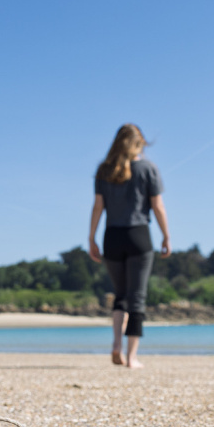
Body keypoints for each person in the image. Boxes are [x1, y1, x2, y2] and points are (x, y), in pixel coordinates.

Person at [88, 124, 171, 369]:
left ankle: (116, 345)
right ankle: (132, 357)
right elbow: (158, 207)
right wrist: (166, 235)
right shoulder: (148, 168)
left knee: (120, 295)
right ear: (139, 144)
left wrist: (91, 237)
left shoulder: (104, 169)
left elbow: (97, 207)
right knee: (137, 298)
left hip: (112, 236)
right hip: (139, 235)